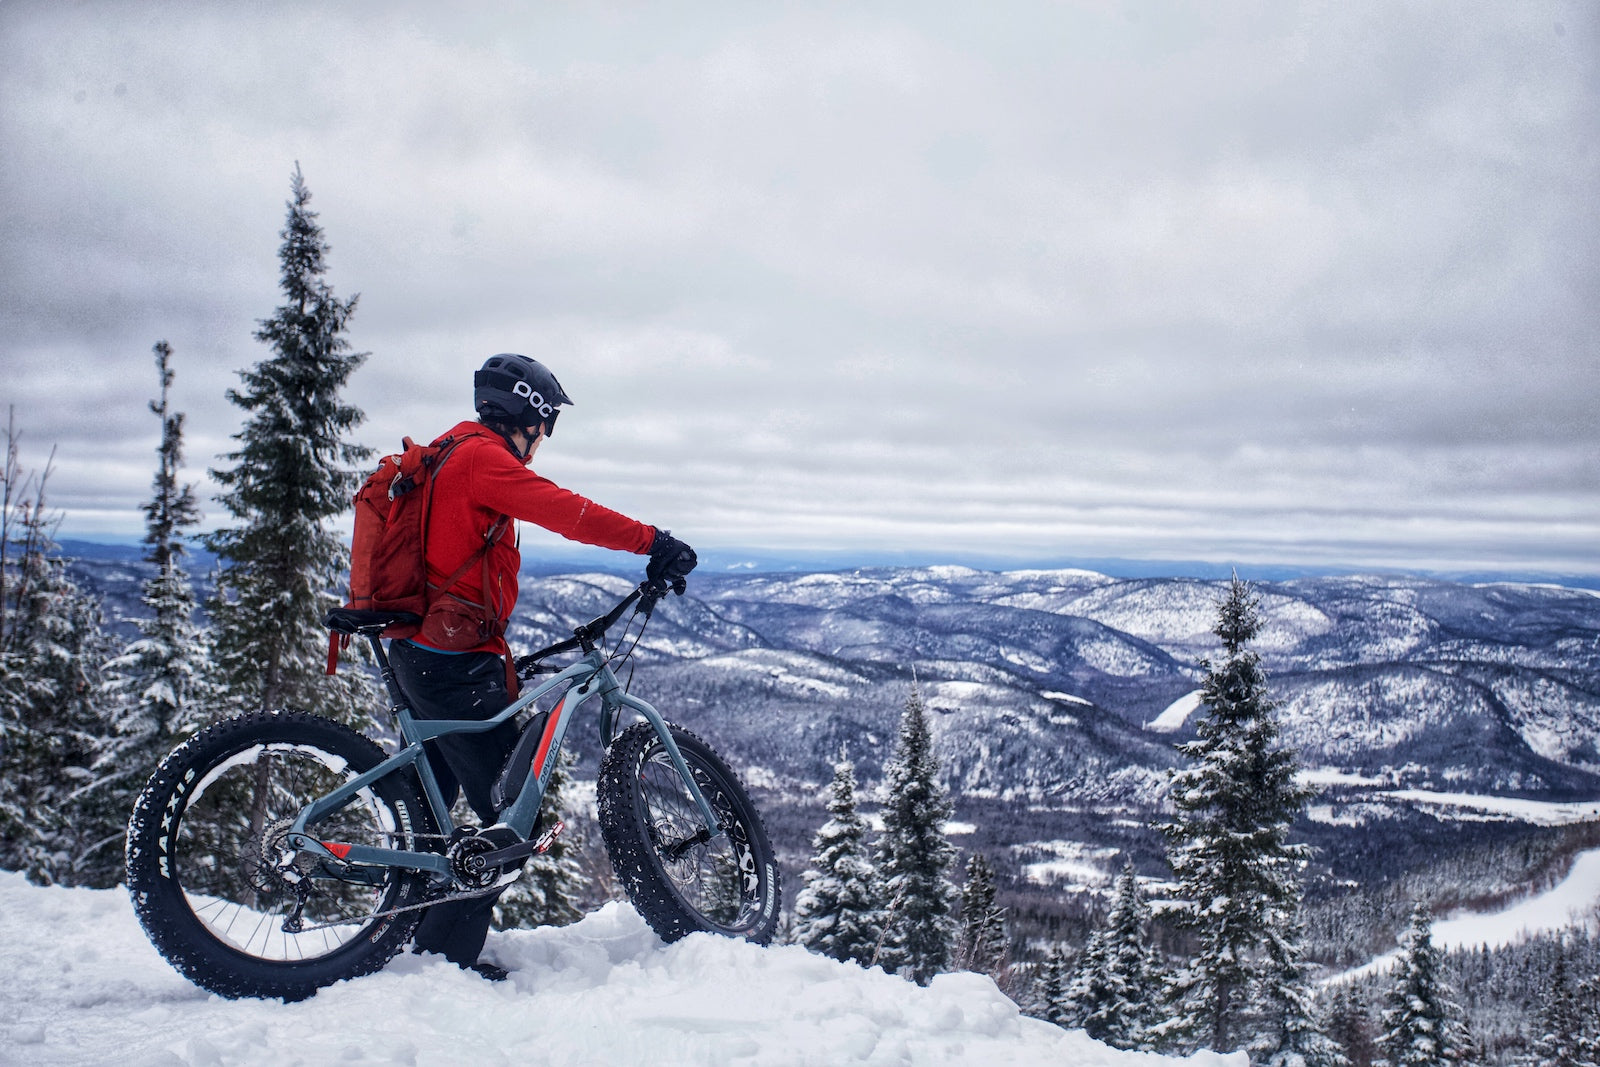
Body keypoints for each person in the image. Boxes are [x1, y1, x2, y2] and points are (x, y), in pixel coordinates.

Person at [391, 352, 696, 979]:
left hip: (424, 651)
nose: (543, 438)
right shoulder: (481, 458)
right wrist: (654, 542)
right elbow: (564, 510)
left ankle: (402, 945)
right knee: (508, 822)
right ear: (524, 412)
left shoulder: (450, 448)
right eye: (545, 422)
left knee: (432, 820)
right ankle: (436, 965)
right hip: (451, 660)